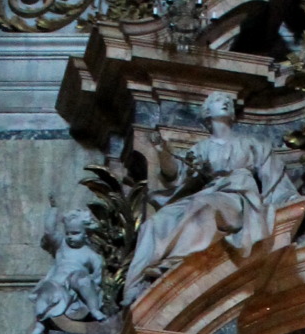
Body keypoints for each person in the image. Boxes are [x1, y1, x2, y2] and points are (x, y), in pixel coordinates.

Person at [123, 91, 295, 301]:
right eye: (216, 101)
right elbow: (175, 176)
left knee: (204, 205)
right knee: (157, 222)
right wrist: (162, 151)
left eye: (227, 102)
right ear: (207, 113)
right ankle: (135, 283)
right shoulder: (201, 148)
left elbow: (273, 175)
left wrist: (286, 202)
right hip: (210, 193)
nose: (224, 103)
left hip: (238, 196)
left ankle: (175, 261)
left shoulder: (251, 143)